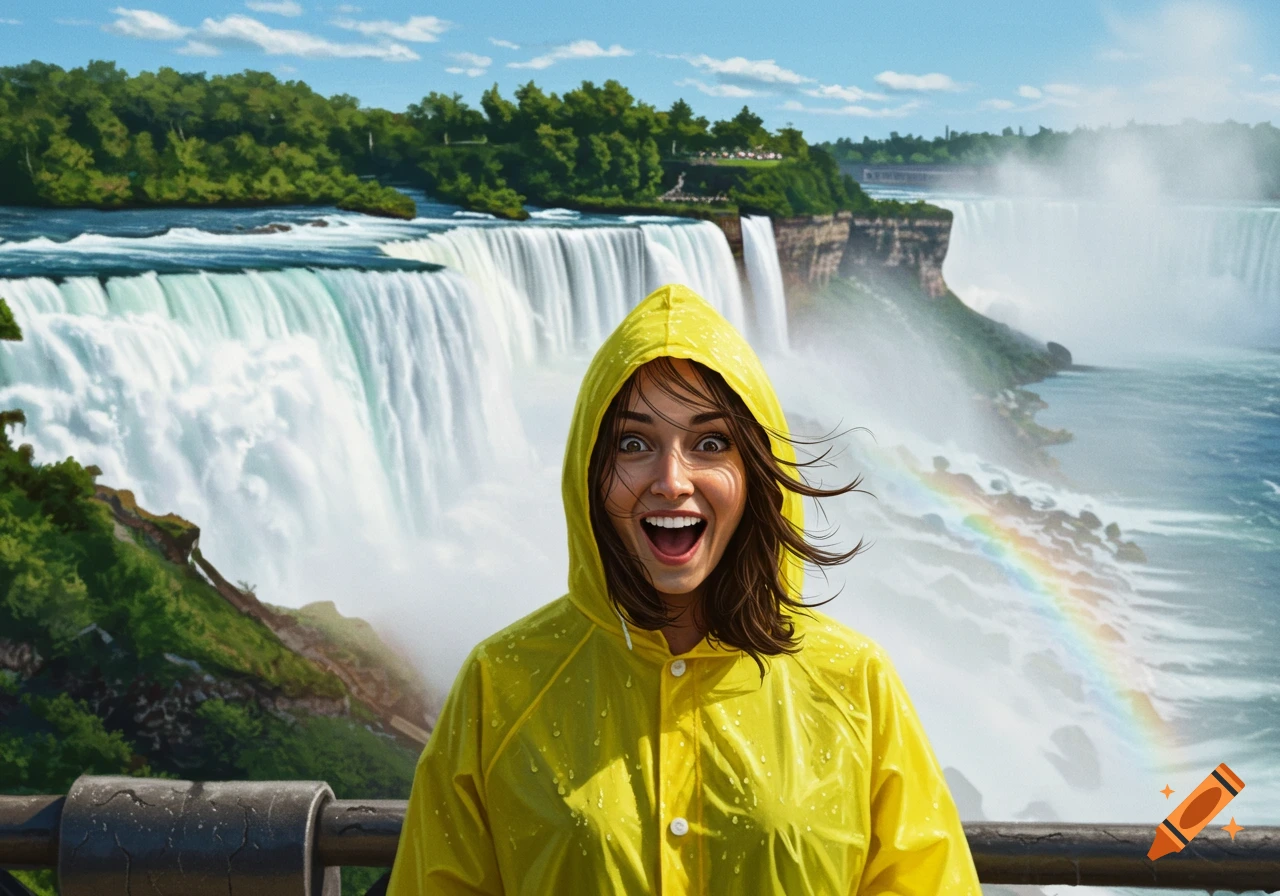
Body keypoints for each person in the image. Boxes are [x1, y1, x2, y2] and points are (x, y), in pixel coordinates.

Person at [387, 283, 981, 895]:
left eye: (710, 443)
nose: (672, 481)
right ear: (590, 473)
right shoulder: (500, 686)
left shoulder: (855, 685)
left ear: (754, 471)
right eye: (634, 443)